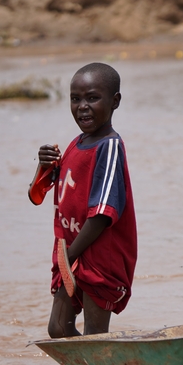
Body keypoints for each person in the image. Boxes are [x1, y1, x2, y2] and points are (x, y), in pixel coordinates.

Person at [33, 62, 137, 339]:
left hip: (99, 256)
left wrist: (70, 256)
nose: (82, 106)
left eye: (92, 98)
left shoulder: (110, 146)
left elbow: (103, 214)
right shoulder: (75, 144)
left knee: (94, 334)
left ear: (114, 101)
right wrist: (42, 166)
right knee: (58, 328)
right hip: (71, 252)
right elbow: (37, 195)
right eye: (75, 99)